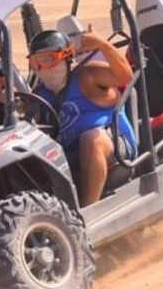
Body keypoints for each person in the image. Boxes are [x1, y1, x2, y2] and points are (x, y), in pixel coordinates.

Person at [28, 28, 136, 206]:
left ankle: (89, 210)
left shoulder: (87, 76)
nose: (41, 68)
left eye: (48, 60)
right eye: (35, 62)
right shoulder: (39, 95)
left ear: (65, 57)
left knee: (91, 140)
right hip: (69, 156)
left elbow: (125, 77)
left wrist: (102, 44)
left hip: (112, 145)